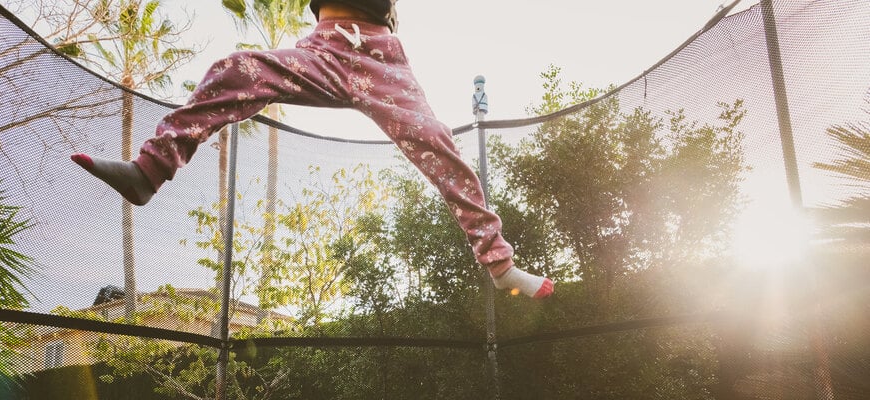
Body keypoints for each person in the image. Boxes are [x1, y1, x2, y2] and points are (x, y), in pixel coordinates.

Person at [72, 0, 554, 298]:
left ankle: (500, 265)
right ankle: (149, 171)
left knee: (438, 143)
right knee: (235, 68)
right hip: (322, 49)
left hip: (381, 56)